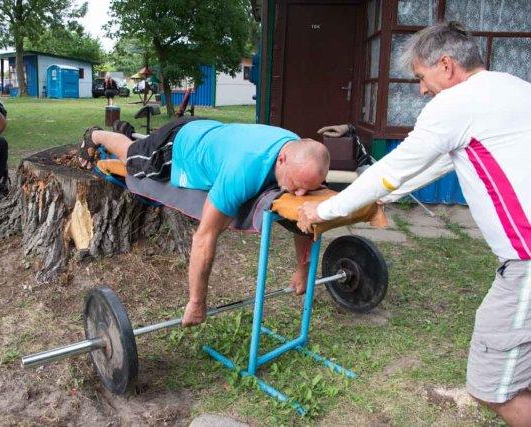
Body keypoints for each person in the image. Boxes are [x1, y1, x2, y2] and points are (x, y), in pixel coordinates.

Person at [298, 21, 531, 426]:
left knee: (492, 388)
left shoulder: (455, 103)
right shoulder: (511, 87)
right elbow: (440, 161)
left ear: (447, 66)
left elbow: (391, 169)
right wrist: (385, 197)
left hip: (526, 261)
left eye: (422, 77)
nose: (422, 90)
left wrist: (325, 210)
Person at [78, 117, 330, 327]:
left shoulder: (299, 155)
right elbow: (204, 237)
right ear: (282, 160)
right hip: (179, 143)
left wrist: (303, 268)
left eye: (308, 188)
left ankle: (126, 133)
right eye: (296, 185)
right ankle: (97, 135)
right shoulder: (242, 171)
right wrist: (197, 302)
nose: (300, 194)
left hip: (214, 133)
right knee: (134, 159)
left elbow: (303, 215)